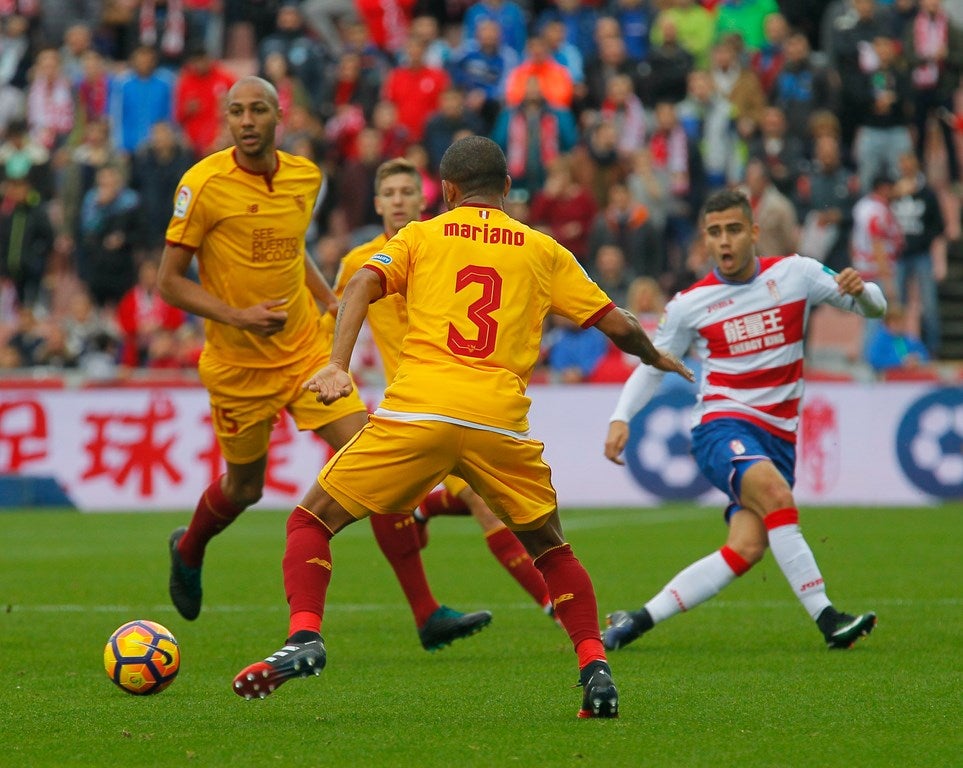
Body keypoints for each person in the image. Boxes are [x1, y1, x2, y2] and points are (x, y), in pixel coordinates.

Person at [231, 135, 694, 717]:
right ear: (506, 190)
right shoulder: (542, 249)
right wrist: (654, 357)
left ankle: (304, 638)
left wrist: (336, 365)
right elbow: (617, 323)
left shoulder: (420, 236)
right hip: (497, 422)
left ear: (444, 192)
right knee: (553, 550)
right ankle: (594, 668)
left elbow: (359, 285)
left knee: (311, 520)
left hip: (419, 410)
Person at [158, 76, 493, 653]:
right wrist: (237, 316)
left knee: (376, 465)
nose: (246, 120)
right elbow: (168, 283)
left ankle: (426, 614)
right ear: (225, 119)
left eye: (257, 109)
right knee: (244, 488)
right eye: (236, 111)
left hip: (307, 353)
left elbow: (291, 249)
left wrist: (326, 297)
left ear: (277, 115)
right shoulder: (203, 184)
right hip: (238, 365)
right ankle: (189, 547)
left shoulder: (305, 177)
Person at [601, 188, 884, 653]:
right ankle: (829, 618)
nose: (725, 241)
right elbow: (652, 364)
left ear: (753, 232)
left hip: (779, 440)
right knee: (776, 495)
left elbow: (873, 305)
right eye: (714, 233)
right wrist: (620, 416)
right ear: (705, 241)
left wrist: (863, 292)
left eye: (733, 229)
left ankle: (635, 621)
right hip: (721, 427)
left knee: (746, 548)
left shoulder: (797, 274)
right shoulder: (691, 304)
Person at [334, 157, 553, 618]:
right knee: (487, 504)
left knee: (486, 502)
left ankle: (428, 518)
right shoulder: (360, 264)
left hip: (461, 399)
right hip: (410, 408)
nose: (398, 201)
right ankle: (555, 607)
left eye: (406, 193)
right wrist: (332, 368)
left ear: (426, 198)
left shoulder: (449, 245)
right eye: (389, 194)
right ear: (376, 203)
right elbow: (333, 314)